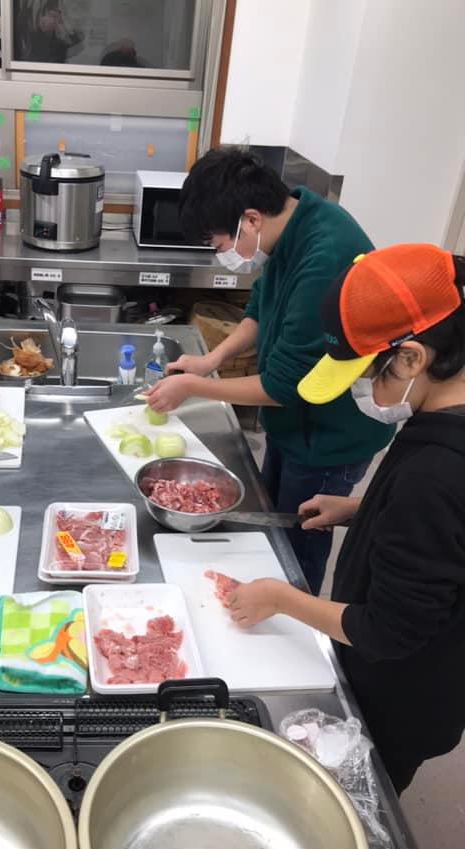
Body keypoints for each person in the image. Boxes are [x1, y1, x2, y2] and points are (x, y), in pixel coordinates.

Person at [227, 244, 465, 795]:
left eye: (365, 374)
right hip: (432, 671)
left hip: (403, 692)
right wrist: (362, 509)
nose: (364, 392)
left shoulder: (436, 474)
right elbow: (447, 536)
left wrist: (281, 598)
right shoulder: (442, 421)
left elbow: (386, 631)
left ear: (412, 359)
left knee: (366, 791)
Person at [144, 148, 395, 595]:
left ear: (251, 219)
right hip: (293, 424)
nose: (223, 255)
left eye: (220, 245)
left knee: (298, 544)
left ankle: (297, 616)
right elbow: (261, 307)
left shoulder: (325, 255)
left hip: (328, 435)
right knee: (272, 526)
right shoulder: (291, 223)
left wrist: (194, 386)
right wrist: (211, 361)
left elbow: (284, 386)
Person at [15, 0, 83, 63]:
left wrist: (66, 26)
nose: (57, 20)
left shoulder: (57, 40)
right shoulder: (33, 40)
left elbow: (77, 44)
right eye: (52, 15)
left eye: (58, 15)